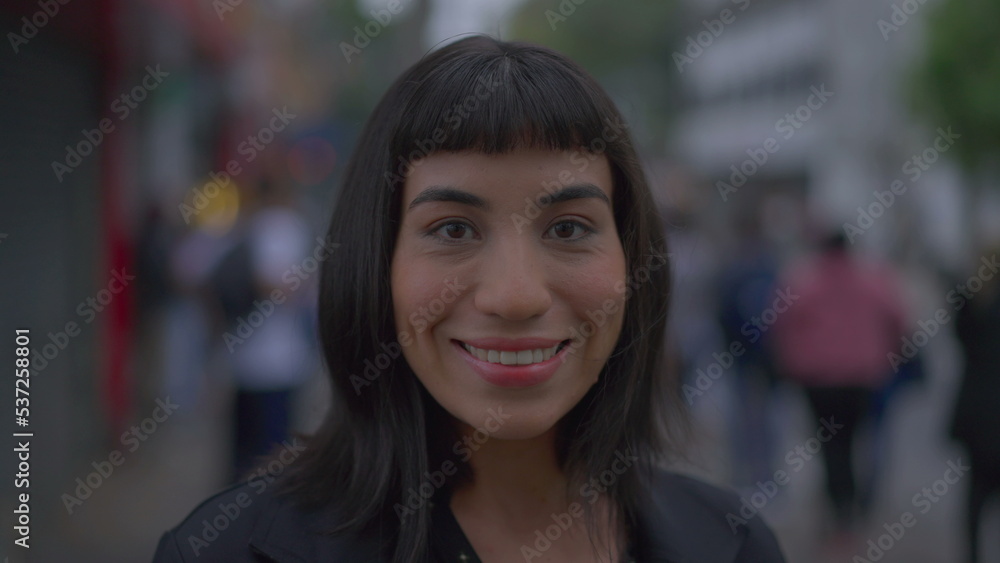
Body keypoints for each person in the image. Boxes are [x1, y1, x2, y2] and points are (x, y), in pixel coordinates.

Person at [153, 36, 786, 563]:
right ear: (376, 264)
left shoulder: (734, 545)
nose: (515, 296)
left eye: (568, 228)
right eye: (452, 230)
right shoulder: (229, 552)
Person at [770, 232, 908, 536]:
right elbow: (898, 317)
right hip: (861, 376)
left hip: (818, 378)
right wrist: (888, 351)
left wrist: (790, 362)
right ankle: (851, 500)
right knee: (855, 438)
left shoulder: (805, 280)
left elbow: (783, 323)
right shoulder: (872, 279)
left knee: (829, 443)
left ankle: (840, 504)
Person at [949, 247, 1000, 563]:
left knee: (976, 493)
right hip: (984, 407)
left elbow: (961, 339)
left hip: (978, 409)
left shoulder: (971, 300)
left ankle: (972, 555)